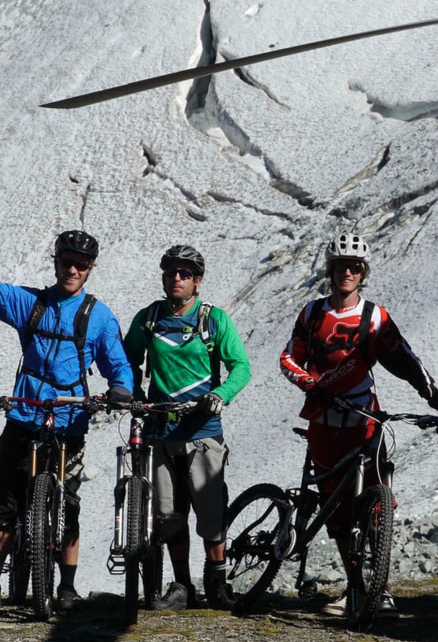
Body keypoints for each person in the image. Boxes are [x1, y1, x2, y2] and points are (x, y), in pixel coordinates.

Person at [280, 232, 438, 618]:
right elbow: (288, 359)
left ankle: (380, 591)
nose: (347, 273)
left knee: (376, 506)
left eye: (354, 267)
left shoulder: (375, 317)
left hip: (364, 422)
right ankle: (356, 587)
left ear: (363, 273)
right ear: (330, 271)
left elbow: (409, 363)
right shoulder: (312, 314)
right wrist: (310, 384)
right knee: (336, 513)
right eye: (340, 267)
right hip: (322, 424)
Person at [0, 230, 134, 610]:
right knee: (4, 506)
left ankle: (67, 587)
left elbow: (119, 365)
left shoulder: (99, 316)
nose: (73, 270)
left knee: (69, 504)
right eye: (67, 262)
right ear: (56, 262)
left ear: (90, 269)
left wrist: (121, 388)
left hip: (70, 420)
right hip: (25, 414)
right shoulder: (31, 303)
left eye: (81, 265)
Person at [123, 245, 251, 611]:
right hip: (160, 431)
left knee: (211, 514)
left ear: (198, 281)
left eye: (185, 274)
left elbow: (240, 366)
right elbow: (126, 361)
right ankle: (183, 587)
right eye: (171, 272)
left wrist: (220, 394)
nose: (176, 278)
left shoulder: (214, 319)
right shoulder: (148, 318)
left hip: (203, 432)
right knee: (167, 516)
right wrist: (133, 394)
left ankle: (218, 584)